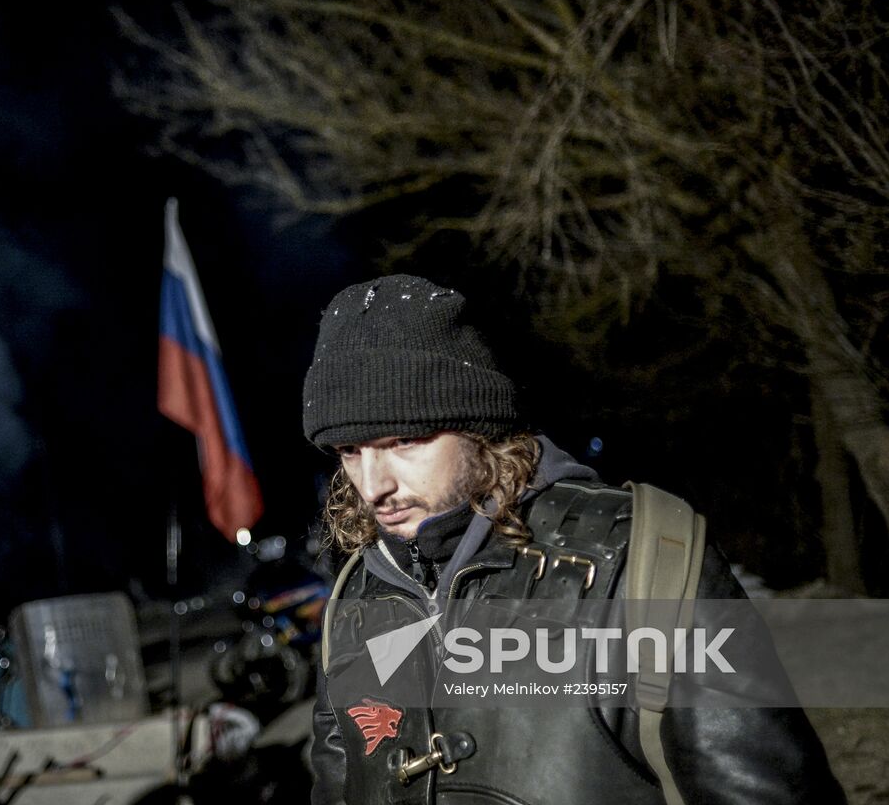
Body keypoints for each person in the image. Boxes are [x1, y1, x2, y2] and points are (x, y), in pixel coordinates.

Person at [303, 274, 844, 805]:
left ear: (477, 424)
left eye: (404, 440)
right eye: (351, 452)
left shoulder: (642, 560)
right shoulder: (355, 600)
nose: (374, 486)